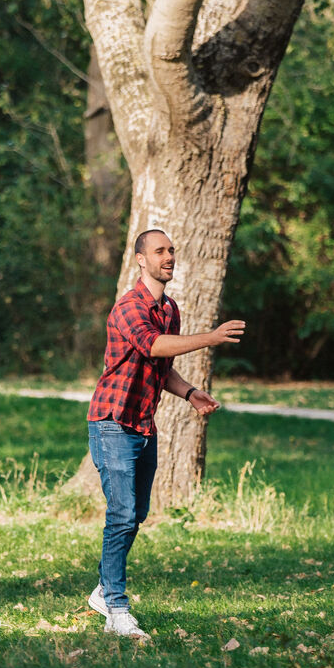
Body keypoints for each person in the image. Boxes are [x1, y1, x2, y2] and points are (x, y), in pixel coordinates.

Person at [86, 229, 245, 638]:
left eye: (171, 250)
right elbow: (152, 346)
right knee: (121, 514)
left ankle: (104, 589)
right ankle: (116, 609)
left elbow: (161, 364)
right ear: (141, 259)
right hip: (113, 422)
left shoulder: (169, 308)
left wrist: (190, 393)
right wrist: (211, 338)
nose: (168, 256)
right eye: (160, 251)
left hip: (143, 423)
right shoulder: (128, 307)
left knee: (135, 515)